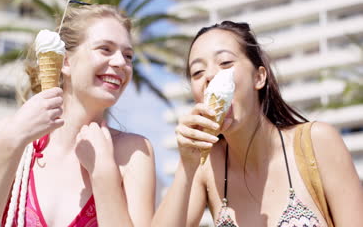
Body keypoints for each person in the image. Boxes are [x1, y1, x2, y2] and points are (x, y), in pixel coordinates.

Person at [0, 4, 156, 227]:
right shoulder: (9, 134)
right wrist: (11, 142)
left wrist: (103, 175)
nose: (121, 62)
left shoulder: (134, 152)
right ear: (64, 61)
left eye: (128, 55)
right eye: (105, 49)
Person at [152, 21, 363, 227]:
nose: (210, 76)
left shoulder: (317, 142)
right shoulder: (205, 166)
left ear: (259, 78)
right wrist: (186, 168)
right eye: (197, 72)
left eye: (225, 63)